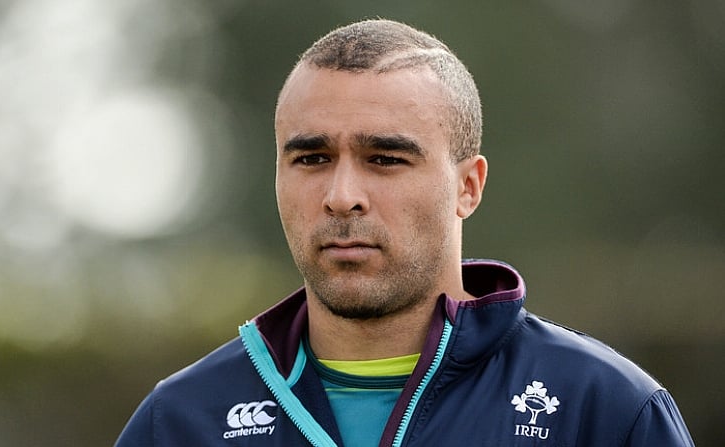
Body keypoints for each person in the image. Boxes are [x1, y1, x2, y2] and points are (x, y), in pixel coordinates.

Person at [115, 19, 694, 446]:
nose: (342, 195)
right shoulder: (179, 422)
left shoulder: (605, 412)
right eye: (311, 158)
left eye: (386, 159)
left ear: (468, 186)